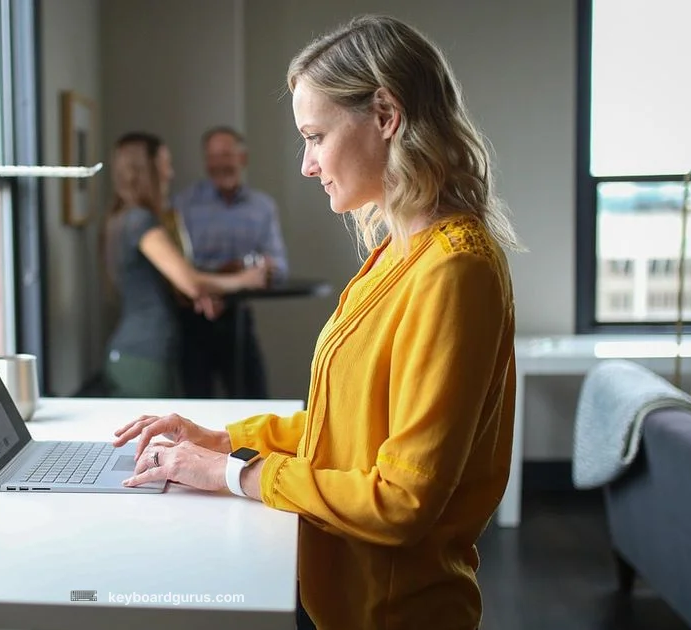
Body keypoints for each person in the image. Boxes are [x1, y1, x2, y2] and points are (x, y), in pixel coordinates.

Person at [111, 15, 524, 630]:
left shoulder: (453, 269)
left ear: (386, 115)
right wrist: (221, 440)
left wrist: (234, 474)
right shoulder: (398, 252)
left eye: (315, 136)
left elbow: (402, 500)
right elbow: (350, 427)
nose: (307, 164)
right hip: (334, 598)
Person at [101, 131, 269, 399]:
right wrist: (245, 280)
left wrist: (197, 295)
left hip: (138, 353)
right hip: (145, 354)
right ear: (148, 169)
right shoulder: (141, 221)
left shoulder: (125, 218)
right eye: (165, 164)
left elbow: (174, 285)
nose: (170, 173)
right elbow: (190, 279)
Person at [171, 126, 290, 399]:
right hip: (193, 321)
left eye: (226, 154)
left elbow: (280, 267)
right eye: (212, 156)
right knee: (195, 408)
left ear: (242, 158)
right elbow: (178, 269)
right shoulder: (182, 204)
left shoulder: (263, 207)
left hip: (238, 321)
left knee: (254, 402)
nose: (219, 164)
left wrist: (259, 270)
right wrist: (233, 274)